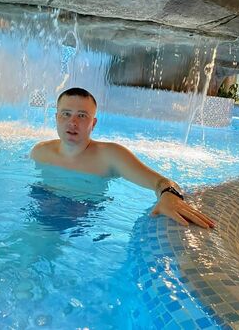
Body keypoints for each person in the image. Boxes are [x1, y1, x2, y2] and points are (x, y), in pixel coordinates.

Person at [30, 87, 215, 229]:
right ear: (56, 117)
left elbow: (162, 182)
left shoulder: (111, 156)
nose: (73, 122)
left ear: (93, 123)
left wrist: (170, 196)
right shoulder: (40, 152)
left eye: (82, 116)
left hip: (83, 219)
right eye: (66, 114)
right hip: (43, 206)